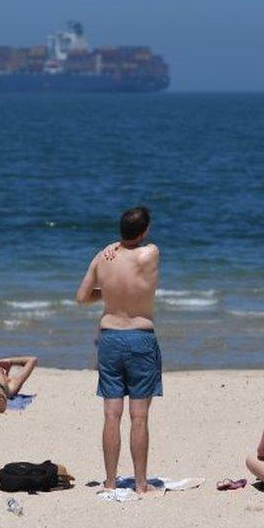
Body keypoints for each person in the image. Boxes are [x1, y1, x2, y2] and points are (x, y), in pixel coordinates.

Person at [75, 206, 161, 494]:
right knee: (139, 417)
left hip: (110, 337)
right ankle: (140, 484)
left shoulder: (103, 257)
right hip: (140, 336)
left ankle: (110, 482)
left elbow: (82, 296)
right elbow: (137, 247)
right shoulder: (150, 253)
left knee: (111, 415)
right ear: (145, 231)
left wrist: (110, 249)